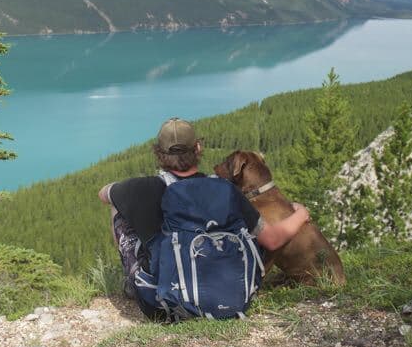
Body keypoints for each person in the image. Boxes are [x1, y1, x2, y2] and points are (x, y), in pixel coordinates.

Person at [98, 117, 312, 318]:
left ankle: (134, 283)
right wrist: (301, 214)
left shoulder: (145, 187)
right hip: (232, 299)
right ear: (198, 148)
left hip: (167, 307)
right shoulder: (226, 189)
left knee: (118, 209)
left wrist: (124, 191)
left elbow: (103, 194)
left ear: (158, 153)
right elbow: (272, 239)